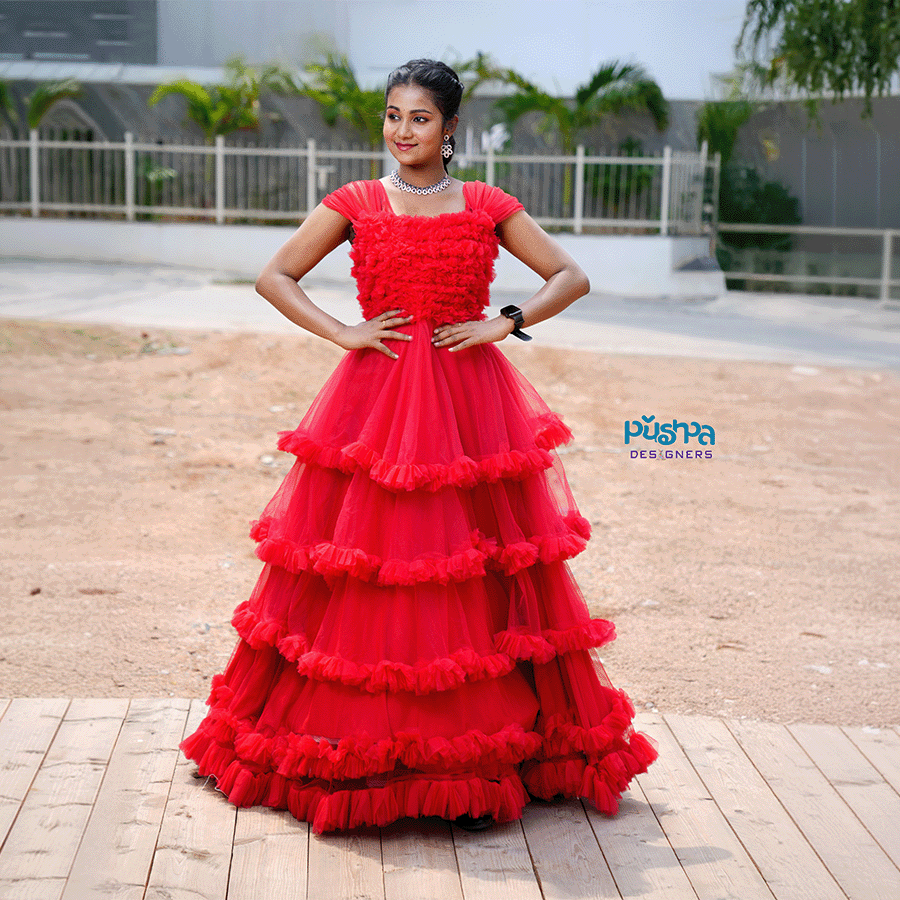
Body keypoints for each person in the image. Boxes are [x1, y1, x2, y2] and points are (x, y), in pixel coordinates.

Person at [182, 58, 656, 834]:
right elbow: (276, 277)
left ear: (450, 127)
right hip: (376, 403)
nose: (404, 131)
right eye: (394, 116)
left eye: (420, 118)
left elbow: (570, 276)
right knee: (368, 569)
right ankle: (350, 747)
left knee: (477, 569)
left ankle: (472, 757)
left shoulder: (487, 204)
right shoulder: (358, 202)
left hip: (472, 404)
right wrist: (345, 332)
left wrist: (507, 320)